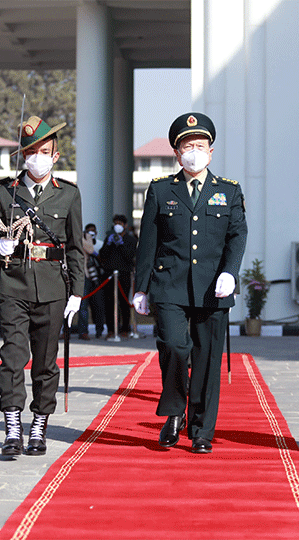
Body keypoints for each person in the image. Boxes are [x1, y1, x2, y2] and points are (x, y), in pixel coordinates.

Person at [133, 112, 248, 454]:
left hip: (214, 286)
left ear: (211, 152)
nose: (194, 152)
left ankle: (201, 430)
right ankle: (173, 412)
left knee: (207, 358)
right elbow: (147, 242)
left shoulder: (228, 190)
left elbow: (237, 234)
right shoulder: (161, 190)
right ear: (177, 152)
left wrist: (231, 271)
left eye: (200, 146)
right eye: (187, 146)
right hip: (169, 284)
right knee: (173, 345)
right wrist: (140, 287)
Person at [0, 115, 85, 456]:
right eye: (30, 152)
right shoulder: (2, 193)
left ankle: (39, 426)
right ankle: (13, 428)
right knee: (13, 358)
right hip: (12, 284)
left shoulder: (68, 195)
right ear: (22, 156)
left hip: (53, 288)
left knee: (45, 362)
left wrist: (77, 292)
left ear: (55, 156)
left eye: (44, 151)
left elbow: (74, 246)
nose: (37, 158)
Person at [101, 214, 136, 338]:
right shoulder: (109, 237)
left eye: (120, 224)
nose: (118, 226)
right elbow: (102, 255)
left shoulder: (130, 240)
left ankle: (125, 328)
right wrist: (109, 243)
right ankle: (111, 329)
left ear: (125, 226)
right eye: (116, 223)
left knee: (124, 303)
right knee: (109, 303)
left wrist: (121, 245)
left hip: (124, 274)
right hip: (110, 275)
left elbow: (129, 256)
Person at [77, 223, 106, 340]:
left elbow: (90, 249)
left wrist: (78, 238)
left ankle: (91, 331)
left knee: (91, 305)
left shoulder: (85, 237)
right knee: (76, 306)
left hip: (88, 275)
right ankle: (72, 331)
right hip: (73, 273)